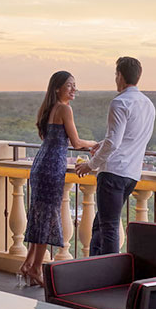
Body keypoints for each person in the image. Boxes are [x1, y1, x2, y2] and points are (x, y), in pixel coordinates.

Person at [19, 72, 97, 287]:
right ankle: (35, 268)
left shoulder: (47, 109)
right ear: (57, 88)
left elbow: (49, 139)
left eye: (75, 86)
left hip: (41, 164)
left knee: (39, 213)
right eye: (69, 86)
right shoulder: (64, 109)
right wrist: (96, 144)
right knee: (47, 216)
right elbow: (76, 141)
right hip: (52, 166)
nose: (73, 90)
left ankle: (27, 264)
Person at [75, 56, 156, 255]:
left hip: (113, 173)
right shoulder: (148, 105)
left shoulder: (119, 103)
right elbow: (129, 138)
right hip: (132, 174)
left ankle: (109, 275)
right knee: (100, 224)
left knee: (109, 226)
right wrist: (102, 145)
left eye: (116, 75)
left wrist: (90, 165)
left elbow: (114, 142)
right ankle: (94, 265)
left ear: (120, 76)